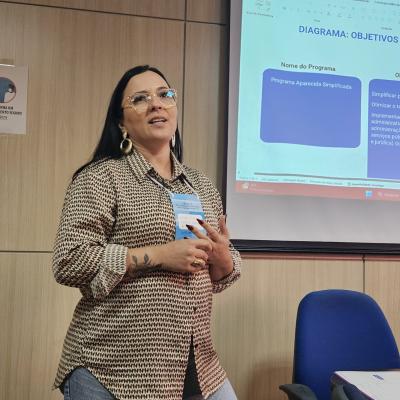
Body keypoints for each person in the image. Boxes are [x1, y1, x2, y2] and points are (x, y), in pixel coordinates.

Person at [52, 65, 242, 400]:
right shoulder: (100, 178)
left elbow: (222, 270)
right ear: (122, 123)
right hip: (110, 369)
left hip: (197, 365)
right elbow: (69, 260)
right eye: (140, 99)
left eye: (164, 95)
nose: (156, 103)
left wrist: (224, 259)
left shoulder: (200, 185)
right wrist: (159, 255)